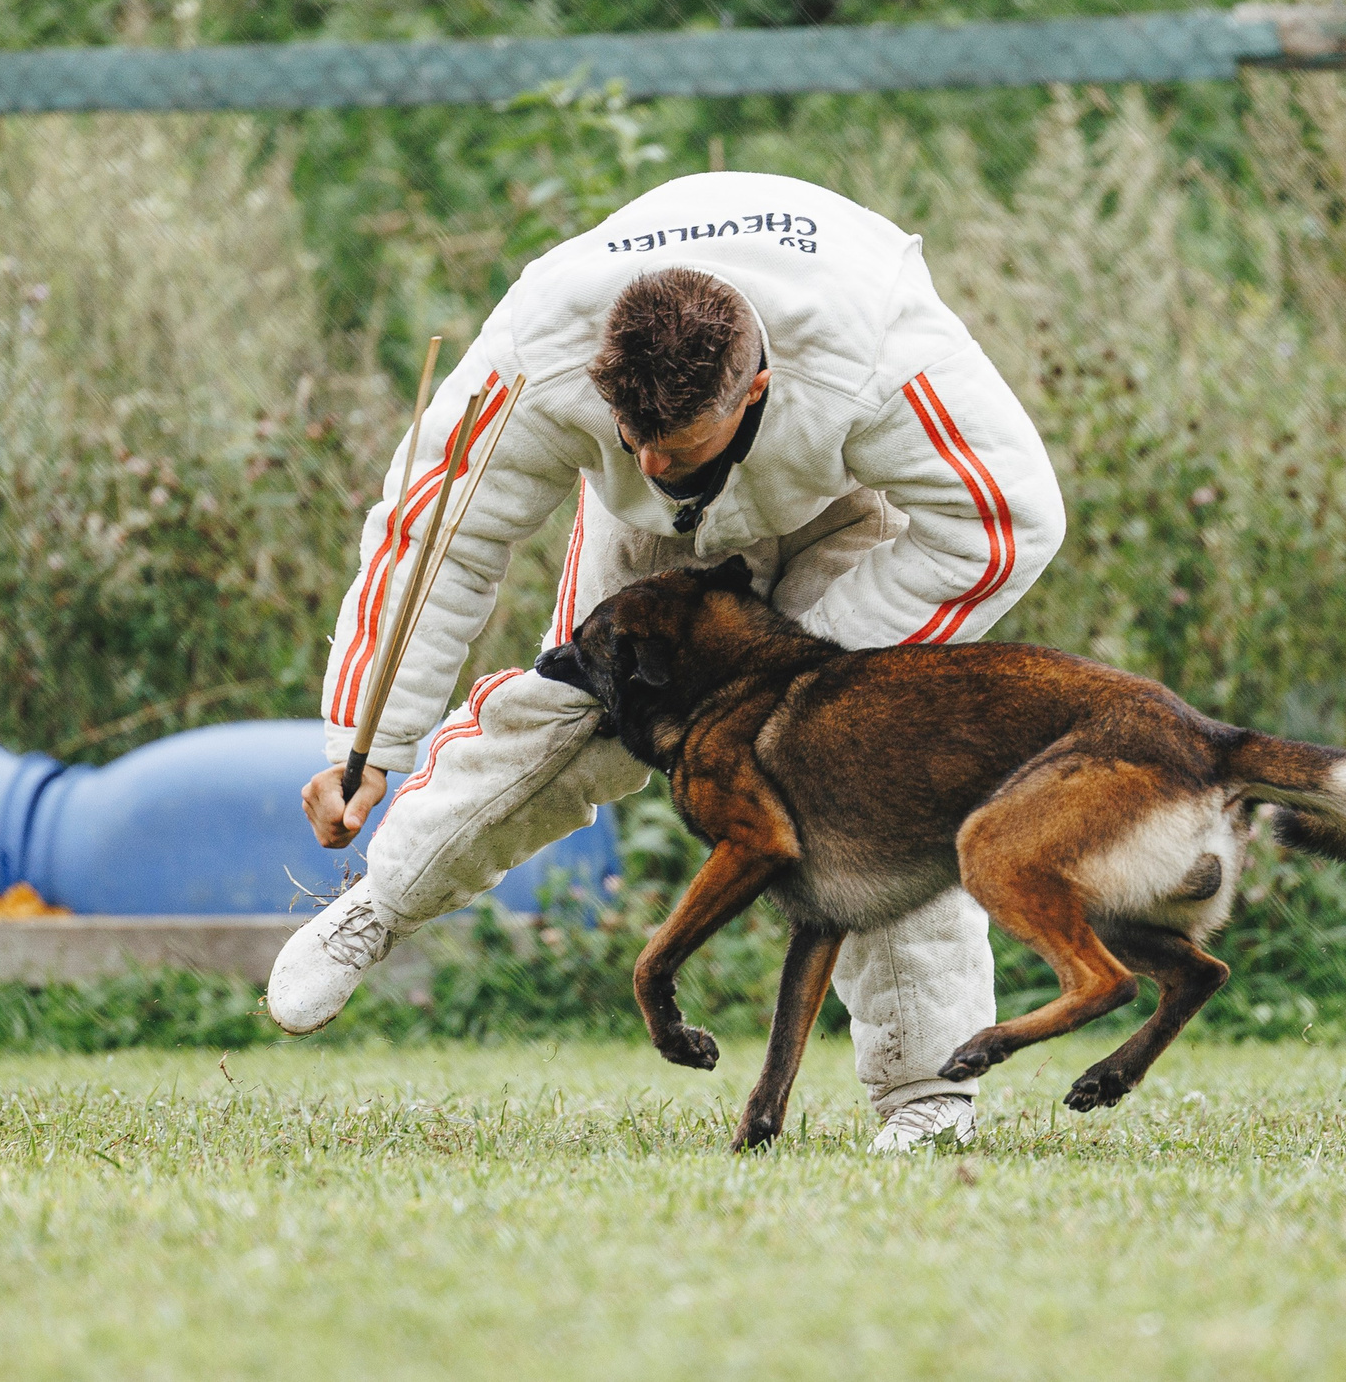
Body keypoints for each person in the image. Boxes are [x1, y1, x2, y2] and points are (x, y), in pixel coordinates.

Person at [267, 170, 1063, 1152]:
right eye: (631, 440)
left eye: (676, 446)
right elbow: (437, 538)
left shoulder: (878, 350)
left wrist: (810, 685)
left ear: (756, 389)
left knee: (861, 768)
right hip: (652, 549)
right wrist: (364, 742)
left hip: (847, 512)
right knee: (577, 722)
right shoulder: (535, 348)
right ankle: (380, 904)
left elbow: (1005, 518)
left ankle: (926, 1097)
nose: (651, 462)